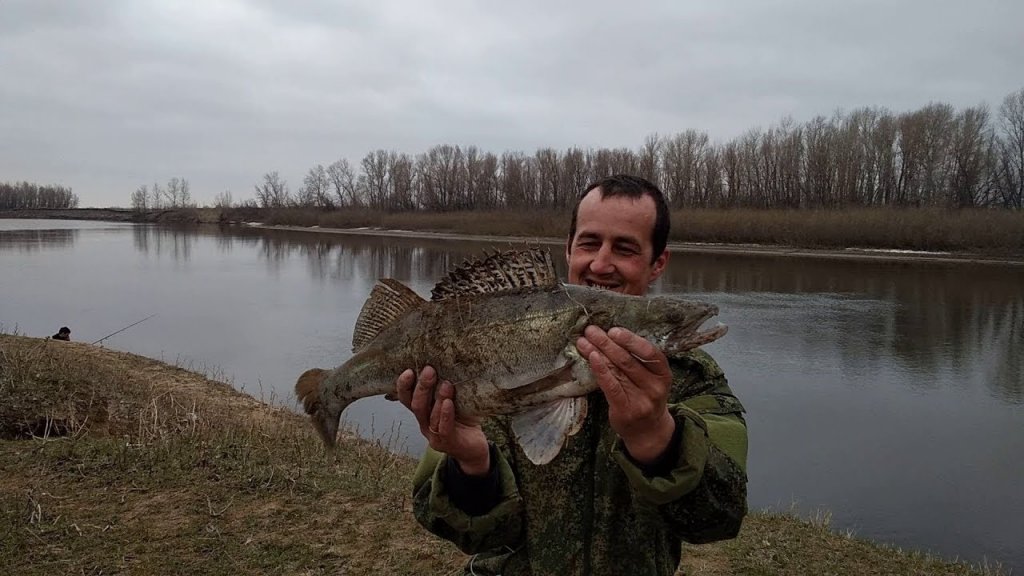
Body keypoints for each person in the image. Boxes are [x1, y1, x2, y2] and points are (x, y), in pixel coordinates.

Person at [396, 174, 748, 575]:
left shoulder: (695, 379)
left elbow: (719, 521)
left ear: (658, 263)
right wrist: (472, 465)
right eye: (589, 242)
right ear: (567, 248)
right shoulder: (491, 353)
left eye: (625, 248)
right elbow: (464, 530)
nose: (600, 263)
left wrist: (658, 440)